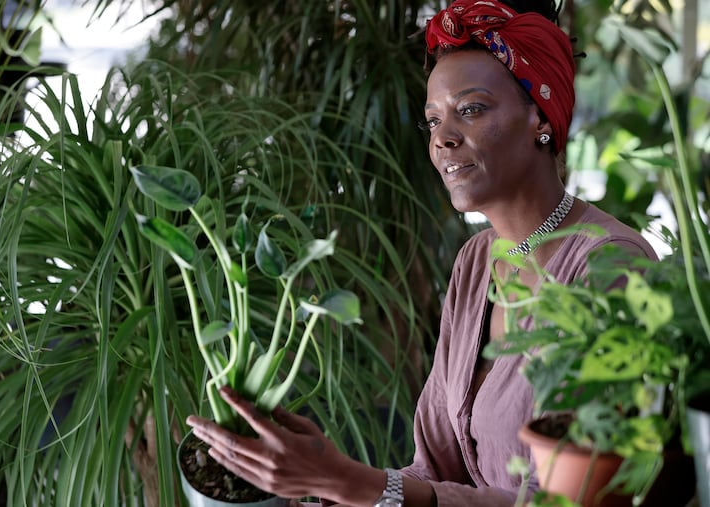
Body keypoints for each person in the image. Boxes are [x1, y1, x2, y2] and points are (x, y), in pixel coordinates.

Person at [185, 0, 658, 505]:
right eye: (433, 121)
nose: (443, 140)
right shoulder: (477, 262)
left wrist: (353, 483)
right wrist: (324, 480)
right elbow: (432, 469)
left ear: (539, 117)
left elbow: (571, 497)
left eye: (471, 110)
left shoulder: (611, 265)